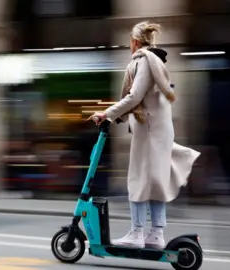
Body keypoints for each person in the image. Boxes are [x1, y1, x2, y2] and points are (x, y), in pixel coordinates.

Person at [90, 21, 201, 249]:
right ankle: (156, 234)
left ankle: (138, 233)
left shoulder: (143, 61)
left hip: (149, 130)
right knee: (155, 181)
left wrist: (107, 114)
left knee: (138, 180)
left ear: (134, 41)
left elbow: (134, 96)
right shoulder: (157, 60)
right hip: (158, 129)